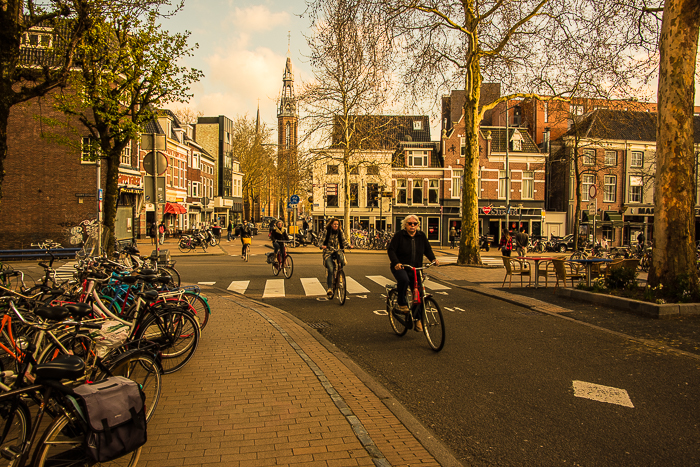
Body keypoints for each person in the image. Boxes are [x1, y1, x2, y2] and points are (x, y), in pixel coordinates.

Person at [387, 215, 438, 333]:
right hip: (401, 267)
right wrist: (396, 262)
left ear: (418, 225)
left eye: (415, 224)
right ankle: (401, 302)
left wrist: (433, 259)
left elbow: (427, 249)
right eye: (410, 223)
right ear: (405, 224)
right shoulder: (399, 236)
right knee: (404, 280)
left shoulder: (421, 236)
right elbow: (391, 250)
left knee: (419, 296)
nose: (413, 225)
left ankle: (418, 319)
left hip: (416, 269)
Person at [320, 218, 351, 298]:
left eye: (337, 224)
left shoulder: (340, 232)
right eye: (334, 224)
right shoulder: (327, 232)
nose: (336, 225)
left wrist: (348, 246)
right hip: (328, 252)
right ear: (331, 225)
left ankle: (340, 273)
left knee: (341, 257)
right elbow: (321, 241)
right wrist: (322, 246)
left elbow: (344, 240)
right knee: (330, 269)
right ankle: (330, 288)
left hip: (337, 250)